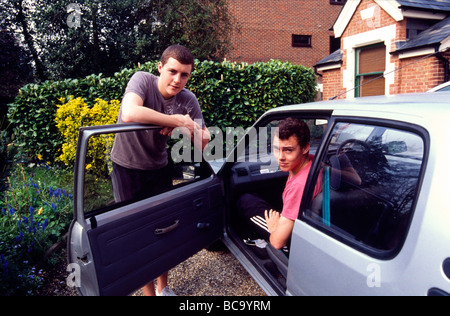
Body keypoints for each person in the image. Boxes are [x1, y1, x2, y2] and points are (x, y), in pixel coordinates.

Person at [110, 44, 210, 296]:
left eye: (184, 74)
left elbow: (204, 141)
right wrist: (176, 120)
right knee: (139, 234)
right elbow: (130, 112)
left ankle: (163, 288)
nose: (177, 80)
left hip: (159, 167)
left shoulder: (188, 100)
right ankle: (148, 293)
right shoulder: (142, 80)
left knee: (164, 229)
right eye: (172, 71)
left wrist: (185, 127)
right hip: (127, 168)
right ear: (160, 68)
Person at [238, 118, 322, 250]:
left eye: (288, 150)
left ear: (305, 148)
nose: (280, 157)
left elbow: (278, 243)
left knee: (245, 201)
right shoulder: (314, 161)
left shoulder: (299, 186)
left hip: (291, 242)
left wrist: (274, 228)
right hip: (307, 220)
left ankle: (258, 242)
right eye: (277, 149)